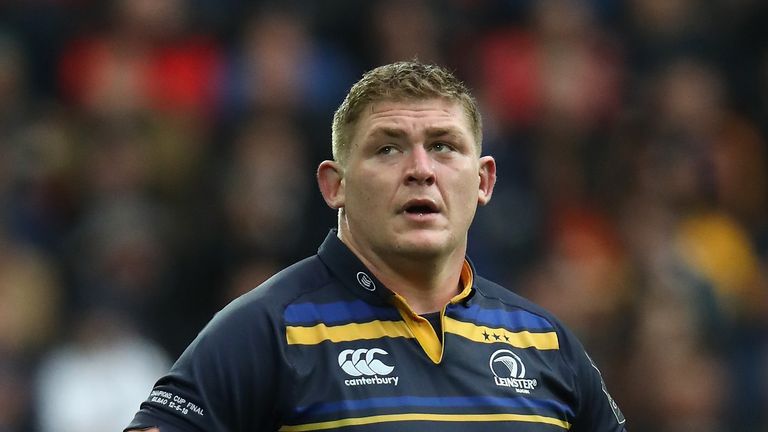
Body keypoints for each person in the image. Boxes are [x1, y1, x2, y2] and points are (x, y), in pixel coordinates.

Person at [125, 61, 627, 432]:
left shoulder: (546, 345)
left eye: (444, 146)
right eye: (387, 148)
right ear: (333, 185)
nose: (420, 169)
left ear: (484, 180)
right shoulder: (268, 331)